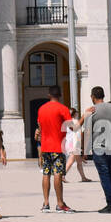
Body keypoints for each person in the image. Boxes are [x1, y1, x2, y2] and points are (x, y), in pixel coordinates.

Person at [84, 87, 111, 213]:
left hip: (99, 148)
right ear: (103, 95)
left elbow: (88, 132)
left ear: (93, 97)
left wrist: (85, 150)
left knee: (105, 176)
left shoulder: (92, 111)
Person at [36, 85, 73, 213]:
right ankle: (59, 203)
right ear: (60, 95)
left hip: (45, 147)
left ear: (49, 95)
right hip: (58, 146)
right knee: (57, 173)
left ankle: (46, 204)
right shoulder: (63, 109)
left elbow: (40, 127)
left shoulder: (41, 109)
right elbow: (72, 127)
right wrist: (84, 117)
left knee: (46, 173)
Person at [64, 109, 91, 182]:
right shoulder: (76, 121)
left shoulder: (67, 122)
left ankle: (83, 177)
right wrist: (80, 146)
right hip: (74, 144)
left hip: (69, 143)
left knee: (79, 162)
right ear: (75, 114)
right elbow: (78, 135)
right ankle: (63, 175)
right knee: (71, 160)